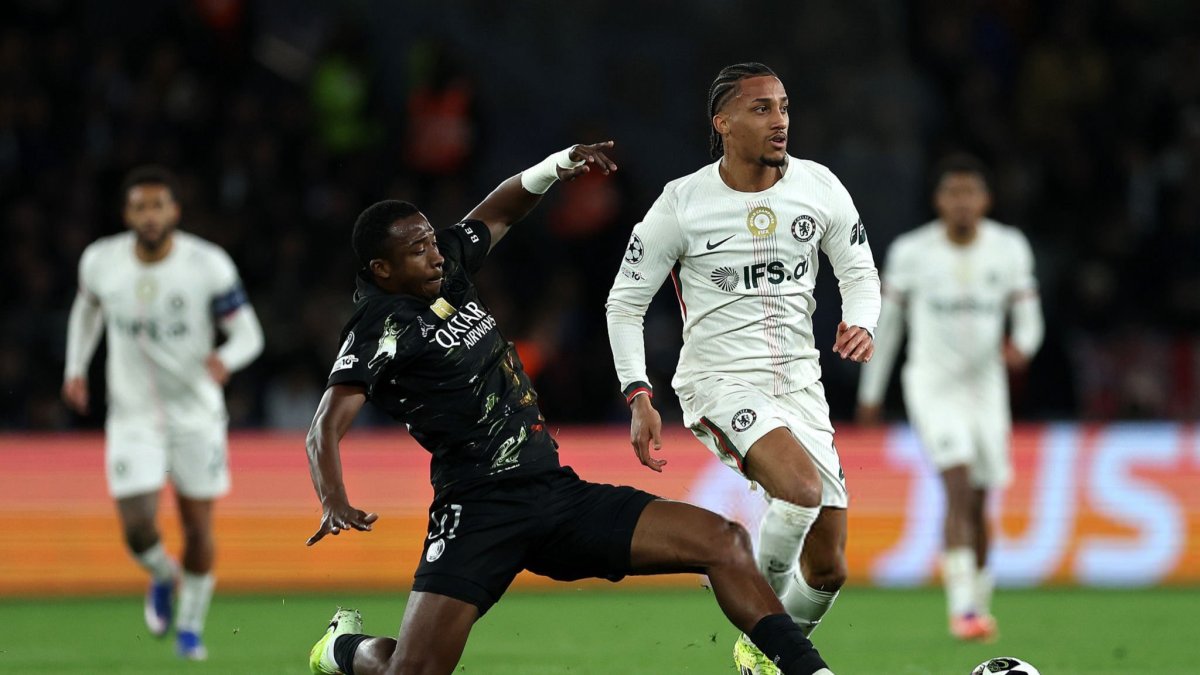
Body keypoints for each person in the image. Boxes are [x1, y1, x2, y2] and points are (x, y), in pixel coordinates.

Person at [304, 142, 835, 675]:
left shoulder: (445, 270)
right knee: (413, 671)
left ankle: (804, 668)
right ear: (382, 269)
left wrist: (556, 166)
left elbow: (500, 209)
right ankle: (340, 650)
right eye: (418, 249)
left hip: (553, 494)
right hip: (479, 510)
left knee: (725, 542)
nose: (436, 253)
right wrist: (334, 498)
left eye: (431, 241)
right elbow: (325, 424)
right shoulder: (381, 325)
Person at [605, 62, 880, 674]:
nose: (779, 121)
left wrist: (863, 320)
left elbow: (859, 271)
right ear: (722, 123)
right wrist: (637, 393)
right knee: (800, 490)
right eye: (761, 109)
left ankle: (757, 648)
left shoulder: (819, 187)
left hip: (802, 387)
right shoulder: (682, 203)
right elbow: (624, 302)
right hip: (719, 382)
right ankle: (756, 602)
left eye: (783, 106)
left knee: (830, 568)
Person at [62, 165, 264, 660]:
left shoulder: (207, 264)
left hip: (195, 414)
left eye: (158, 206)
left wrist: (226, 358)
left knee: (197, 529)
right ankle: (160, 574)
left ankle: (190, 627)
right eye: (139, 207)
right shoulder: (101, 261)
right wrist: (76, 367)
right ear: (126, 213)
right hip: (131, 415)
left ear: (174, 211)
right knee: (137, 526)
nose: (149, 216)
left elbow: (249, 334)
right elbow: (87, 310)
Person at [856, 153, 1044, 642]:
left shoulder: (1009, 248)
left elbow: (1029, 319)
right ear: (938, 200)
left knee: (981, 499)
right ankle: (962, 610)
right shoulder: (912, 252)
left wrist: (1020, 348)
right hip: (932, 384)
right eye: (952, 193)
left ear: (986, 200)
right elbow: (889, 326)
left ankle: (978, 603)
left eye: (970, 193)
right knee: (957, 484)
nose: (961, 202)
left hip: (986, 388)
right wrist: (871, 392)